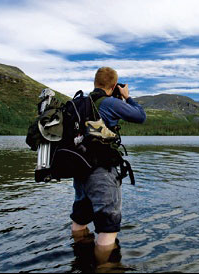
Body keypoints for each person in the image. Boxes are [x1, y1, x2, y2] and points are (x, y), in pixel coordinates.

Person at [70, 67, 146, 266]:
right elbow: (140, 116)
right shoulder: (110, 102)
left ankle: (81, 258)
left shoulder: (79, 103)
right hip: (101, 171)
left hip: (79, 170)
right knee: (107, 228)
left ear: (95, 82)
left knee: (80, 218)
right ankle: (104, 269)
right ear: (113, 86)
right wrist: (127, 98)